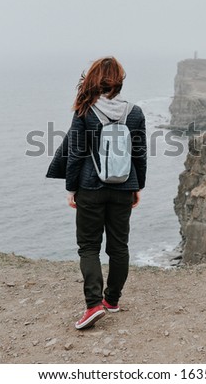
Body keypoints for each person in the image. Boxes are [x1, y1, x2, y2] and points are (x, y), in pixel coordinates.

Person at [66, 56, 147, 330]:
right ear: (119, 81)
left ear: (94, 80)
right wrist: (137, 187)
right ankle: (111, 301)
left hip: (90, 188)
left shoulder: (85, 110)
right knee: (119, 247)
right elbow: (140, 155)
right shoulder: (135, 113)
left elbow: (75, 154)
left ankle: (93, 305)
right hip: (124, 187)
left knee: (89, 247)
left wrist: (71, 189)